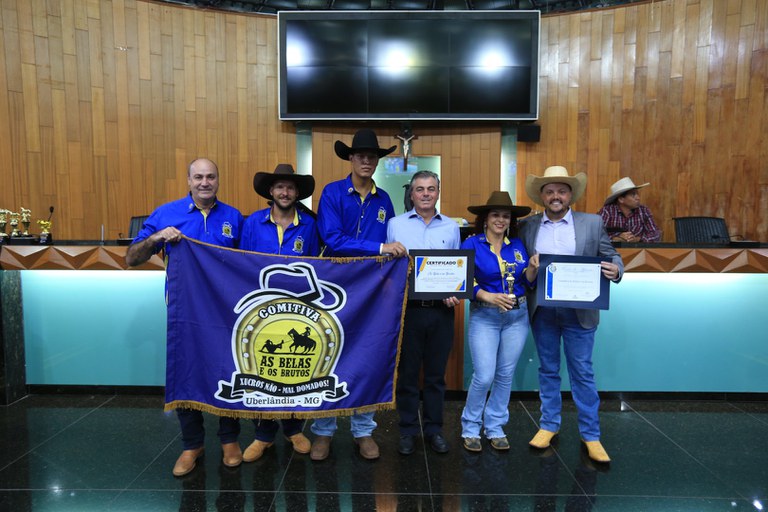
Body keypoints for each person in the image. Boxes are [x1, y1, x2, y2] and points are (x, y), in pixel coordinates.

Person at [126, 158, 244, 476]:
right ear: (188, 180)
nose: (205, 182)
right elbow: (131, 258)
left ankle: (229, 439)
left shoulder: (234, 217)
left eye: (211, 177)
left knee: (229, 370)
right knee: (187, 373)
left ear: (218, 180)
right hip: (186, 312)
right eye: (198, 177)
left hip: (225, 312)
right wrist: (157, 238)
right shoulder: (166, 214)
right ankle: (192, 444)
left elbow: (245, 264)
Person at [311, 128, 407, 461]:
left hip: (372, 288)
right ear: (351, 158)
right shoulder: (332, 192)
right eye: (361, 156)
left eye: (372, 157)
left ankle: (363, 430)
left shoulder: (385, 200)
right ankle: (323, 431)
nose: (367, 161)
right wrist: (379, 248)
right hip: (334, 283)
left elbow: (393, 239)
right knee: (328, 353)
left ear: (377, 161)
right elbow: (332, 239)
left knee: (367, 355)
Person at [518, 166, 623, 463]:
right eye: (550, 191)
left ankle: (591, 434)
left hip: (581, 311)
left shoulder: (592, 222)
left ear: (570, 195)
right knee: (548, 369)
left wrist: (617, 269)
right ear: (542, 196)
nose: (556, 196)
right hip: (543, 310)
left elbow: (612, 255)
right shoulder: (527, 226)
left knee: (582, 372)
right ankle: (549, 425)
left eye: (561, 191)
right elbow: (522, 264)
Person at [239, 163, 320, 462]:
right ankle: (263, 435)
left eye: (290, 187)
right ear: (271, 191)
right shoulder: (252, 223)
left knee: (294, 369)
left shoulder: (310, 225)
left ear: (297, 193)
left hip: (297, 311)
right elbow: (241, 263)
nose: (285, 192)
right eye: (280, 187)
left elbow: (316, 266)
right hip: (260, 311)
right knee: (261, 370)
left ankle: (293, 429)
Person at [385, 170, 461, 456]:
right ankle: (407, 430)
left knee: (435, 376)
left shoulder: (451, 227)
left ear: (438, 192)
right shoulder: (395, 225)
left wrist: (455, 290)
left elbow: (457, 267)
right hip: (408, 311)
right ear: (412, 193)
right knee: (406, 375)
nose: (426, 194)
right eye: (420, 189)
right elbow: (387, 267)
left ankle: (434, 429)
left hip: (441, 312)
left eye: (431, 189)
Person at [460, 191, 537, 453]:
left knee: (505, 375)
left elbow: (525, 281)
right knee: (484, 376)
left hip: (517, 316)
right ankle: (470, 427)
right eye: (495, 215)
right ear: (485, 218)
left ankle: (495, 426)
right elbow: (464, 279)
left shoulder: (517, 245)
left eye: (505, 216)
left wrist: (532, 269)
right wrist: (488, 296)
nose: (500, 220)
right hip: (485, 315)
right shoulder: (472, 244)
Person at [597, 177, 661, 243]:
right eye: (633, 195)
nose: (638, 198)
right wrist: (615, 239)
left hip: (637, 248)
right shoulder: (607, 211)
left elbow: (656, 235)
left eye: (637, 194)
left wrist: (637, 239)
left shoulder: (643, 210)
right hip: (612, 249)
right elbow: (596, 234)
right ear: (621, 199)